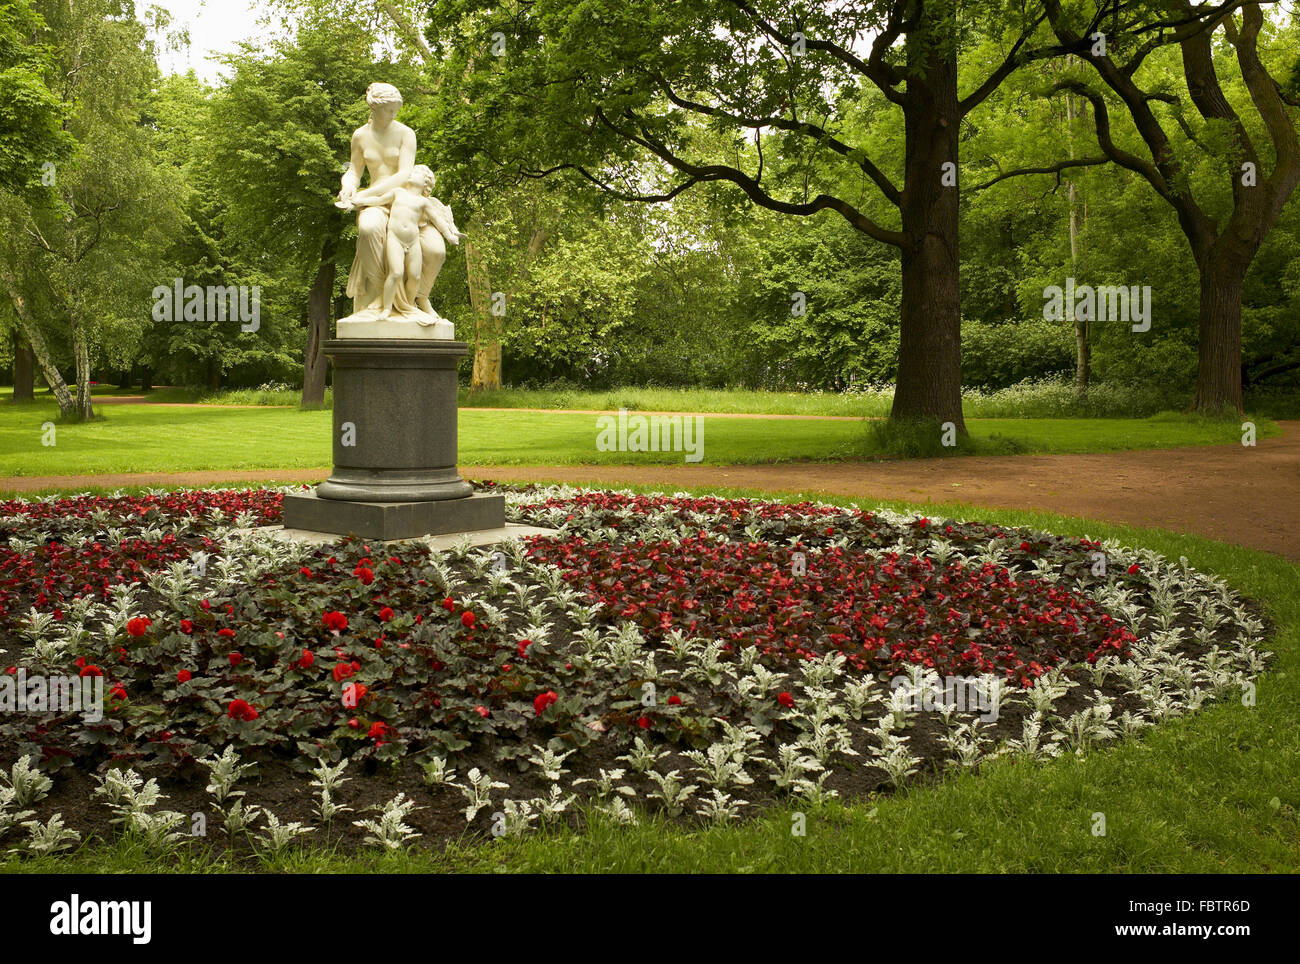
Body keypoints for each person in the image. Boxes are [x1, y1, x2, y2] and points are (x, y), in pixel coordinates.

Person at [336, 83, 417, 316]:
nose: (393, 115)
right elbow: (354, 170)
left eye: (395, 110)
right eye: (389, 110)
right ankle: (384, 293)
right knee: (369, 228)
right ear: (374, 108)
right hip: (373, 203)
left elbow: (404, 175)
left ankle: (402, 301)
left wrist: (363, 196)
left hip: (401, 200)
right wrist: (348, 188)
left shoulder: (405, 133)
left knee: (435, 249)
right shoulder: (360, 136)